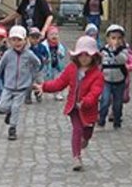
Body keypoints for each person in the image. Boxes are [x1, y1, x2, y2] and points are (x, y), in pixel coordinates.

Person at [33, 36, 104, 171]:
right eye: (81, 55)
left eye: (87, 55)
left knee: (87, 131)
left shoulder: (97, 74)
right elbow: (60, 83)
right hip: (74, 108)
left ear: (94, 56)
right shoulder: (72, 69)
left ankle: (85, 139)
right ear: (76, 56)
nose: (84, 58)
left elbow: (96, 92)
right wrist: (45, 87)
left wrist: (86, 101)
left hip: (88, 109)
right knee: (77, 130)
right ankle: (76, 157)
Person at [0, 25, 41, 140]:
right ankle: (8, 112)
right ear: (9, 41)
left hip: (21, 88)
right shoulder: (8, 54)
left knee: (16, 108)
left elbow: (37, 64)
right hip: (8, 86)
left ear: (25, 40)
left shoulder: (29, 55)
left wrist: (32, 76)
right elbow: (0, 66)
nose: (16, 43)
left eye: (19, 40)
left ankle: (12, 128)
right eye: (13, 40)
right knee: (2, 106)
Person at [98, 24, 129, 129]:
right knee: (105, 101)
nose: (116, 40)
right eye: (113, 38)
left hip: (119, 80)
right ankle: (101, 118)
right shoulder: (103, 51)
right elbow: (99, 63)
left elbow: (123, 60)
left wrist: (116, 51)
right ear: (108, 39)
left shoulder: (123, 50)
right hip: (106, 80)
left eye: (119, 38)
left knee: (117, 103)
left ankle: (117, 120)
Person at [41, 25, 67, 101]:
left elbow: (63, 55)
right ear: (47, 36)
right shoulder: (44, 45)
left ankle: (58, 93)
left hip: (57, 66)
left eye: (56, 34)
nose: (54, 36)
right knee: (47, 80)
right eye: (51, 34)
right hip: (47, 66)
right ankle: (42, 91)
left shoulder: (59, 45)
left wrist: (60, 53)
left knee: (58, 80)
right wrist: (44, 59)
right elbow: (41, 54)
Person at [25, 27, 48, 104]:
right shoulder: (27, 48)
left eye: (37, 37)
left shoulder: (42, 47)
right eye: (33, 37)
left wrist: (46, 59)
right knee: (29, 84)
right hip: (29, 69)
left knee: (40, 82)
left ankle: (38, 94)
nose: (35, 39)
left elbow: (46, 55)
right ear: (29, 38)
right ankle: (27, 97)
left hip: (39, 69)